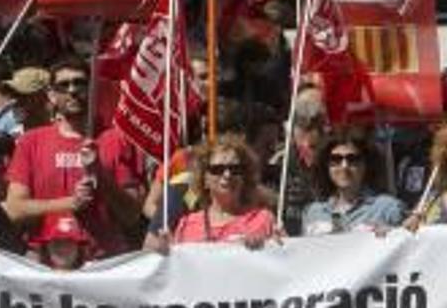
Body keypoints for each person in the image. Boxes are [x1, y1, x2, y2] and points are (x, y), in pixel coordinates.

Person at [4, 57, 139, 260]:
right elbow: (15, 209)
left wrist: (99, 173)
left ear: (93, 89)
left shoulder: (116, 140)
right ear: (51, 95)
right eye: (63, 85)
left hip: (102, 264)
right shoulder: (30, 142)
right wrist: (69, 204)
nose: (73, 90)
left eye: (80, 83)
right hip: (45, 262)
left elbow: (132, 214)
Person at [146, 134, 275, 250]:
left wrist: (272, 247)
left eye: (235, 169)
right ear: (205, 179)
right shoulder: (186, 225)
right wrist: (167, 254)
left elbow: (284, 265)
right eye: (217, 169)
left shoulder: (264, 220)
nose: (227, 174)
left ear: (245, 176)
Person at [301, 128, 405, 235]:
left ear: (366, 165)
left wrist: (396, 233)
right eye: (335, 159)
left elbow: (411, 243)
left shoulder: (388, 209)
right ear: (326, 166)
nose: (344, 166)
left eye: (352, 159)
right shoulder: (312, 213)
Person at [266, 89, 326, 235]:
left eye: (319, 124)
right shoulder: (279, 164)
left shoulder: (338, 159)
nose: (314, 133)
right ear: (291, 126)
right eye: (304, 123)